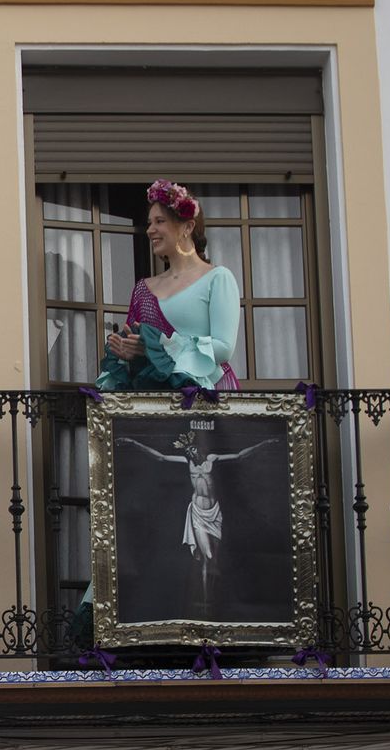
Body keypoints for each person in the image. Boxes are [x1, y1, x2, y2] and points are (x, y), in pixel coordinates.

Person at [97, 179, 240, 392]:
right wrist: (129, 354)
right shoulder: (143, 289)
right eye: (149, 223)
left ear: (187, 227)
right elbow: (137, 345)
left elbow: (224, 349)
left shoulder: (218, 278)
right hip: (154, 397)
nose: (150, 230)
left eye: (160, 221)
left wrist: (158, 347)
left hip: (201, 397)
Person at [117, 432, 278, 616]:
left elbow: (239, 455)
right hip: (197, 514)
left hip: (214, 513)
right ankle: (205, 599)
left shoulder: (212, 459)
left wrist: (264, 443)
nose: (191, 452)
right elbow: (160, 457)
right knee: (206, 556)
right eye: (188, 451)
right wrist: (134, 442)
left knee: (214, 558)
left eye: (193, 449)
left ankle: (212, 597)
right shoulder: (188, 463)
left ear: (199, 449)